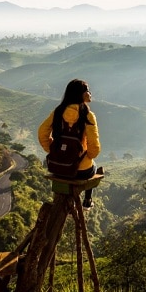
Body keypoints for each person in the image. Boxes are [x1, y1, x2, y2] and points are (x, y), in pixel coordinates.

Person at [38, 79, 101, 209]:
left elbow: (42, 132)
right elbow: (94, 147)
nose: (90, 93)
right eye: (87, 90)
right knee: (94, 166)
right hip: (79, 171)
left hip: (57, 167)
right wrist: (89, 156)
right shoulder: (87, 115)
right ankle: (87, 201)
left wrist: (52, 150)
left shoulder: (58, 111)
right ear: (81, 94)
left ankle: (84, 201)